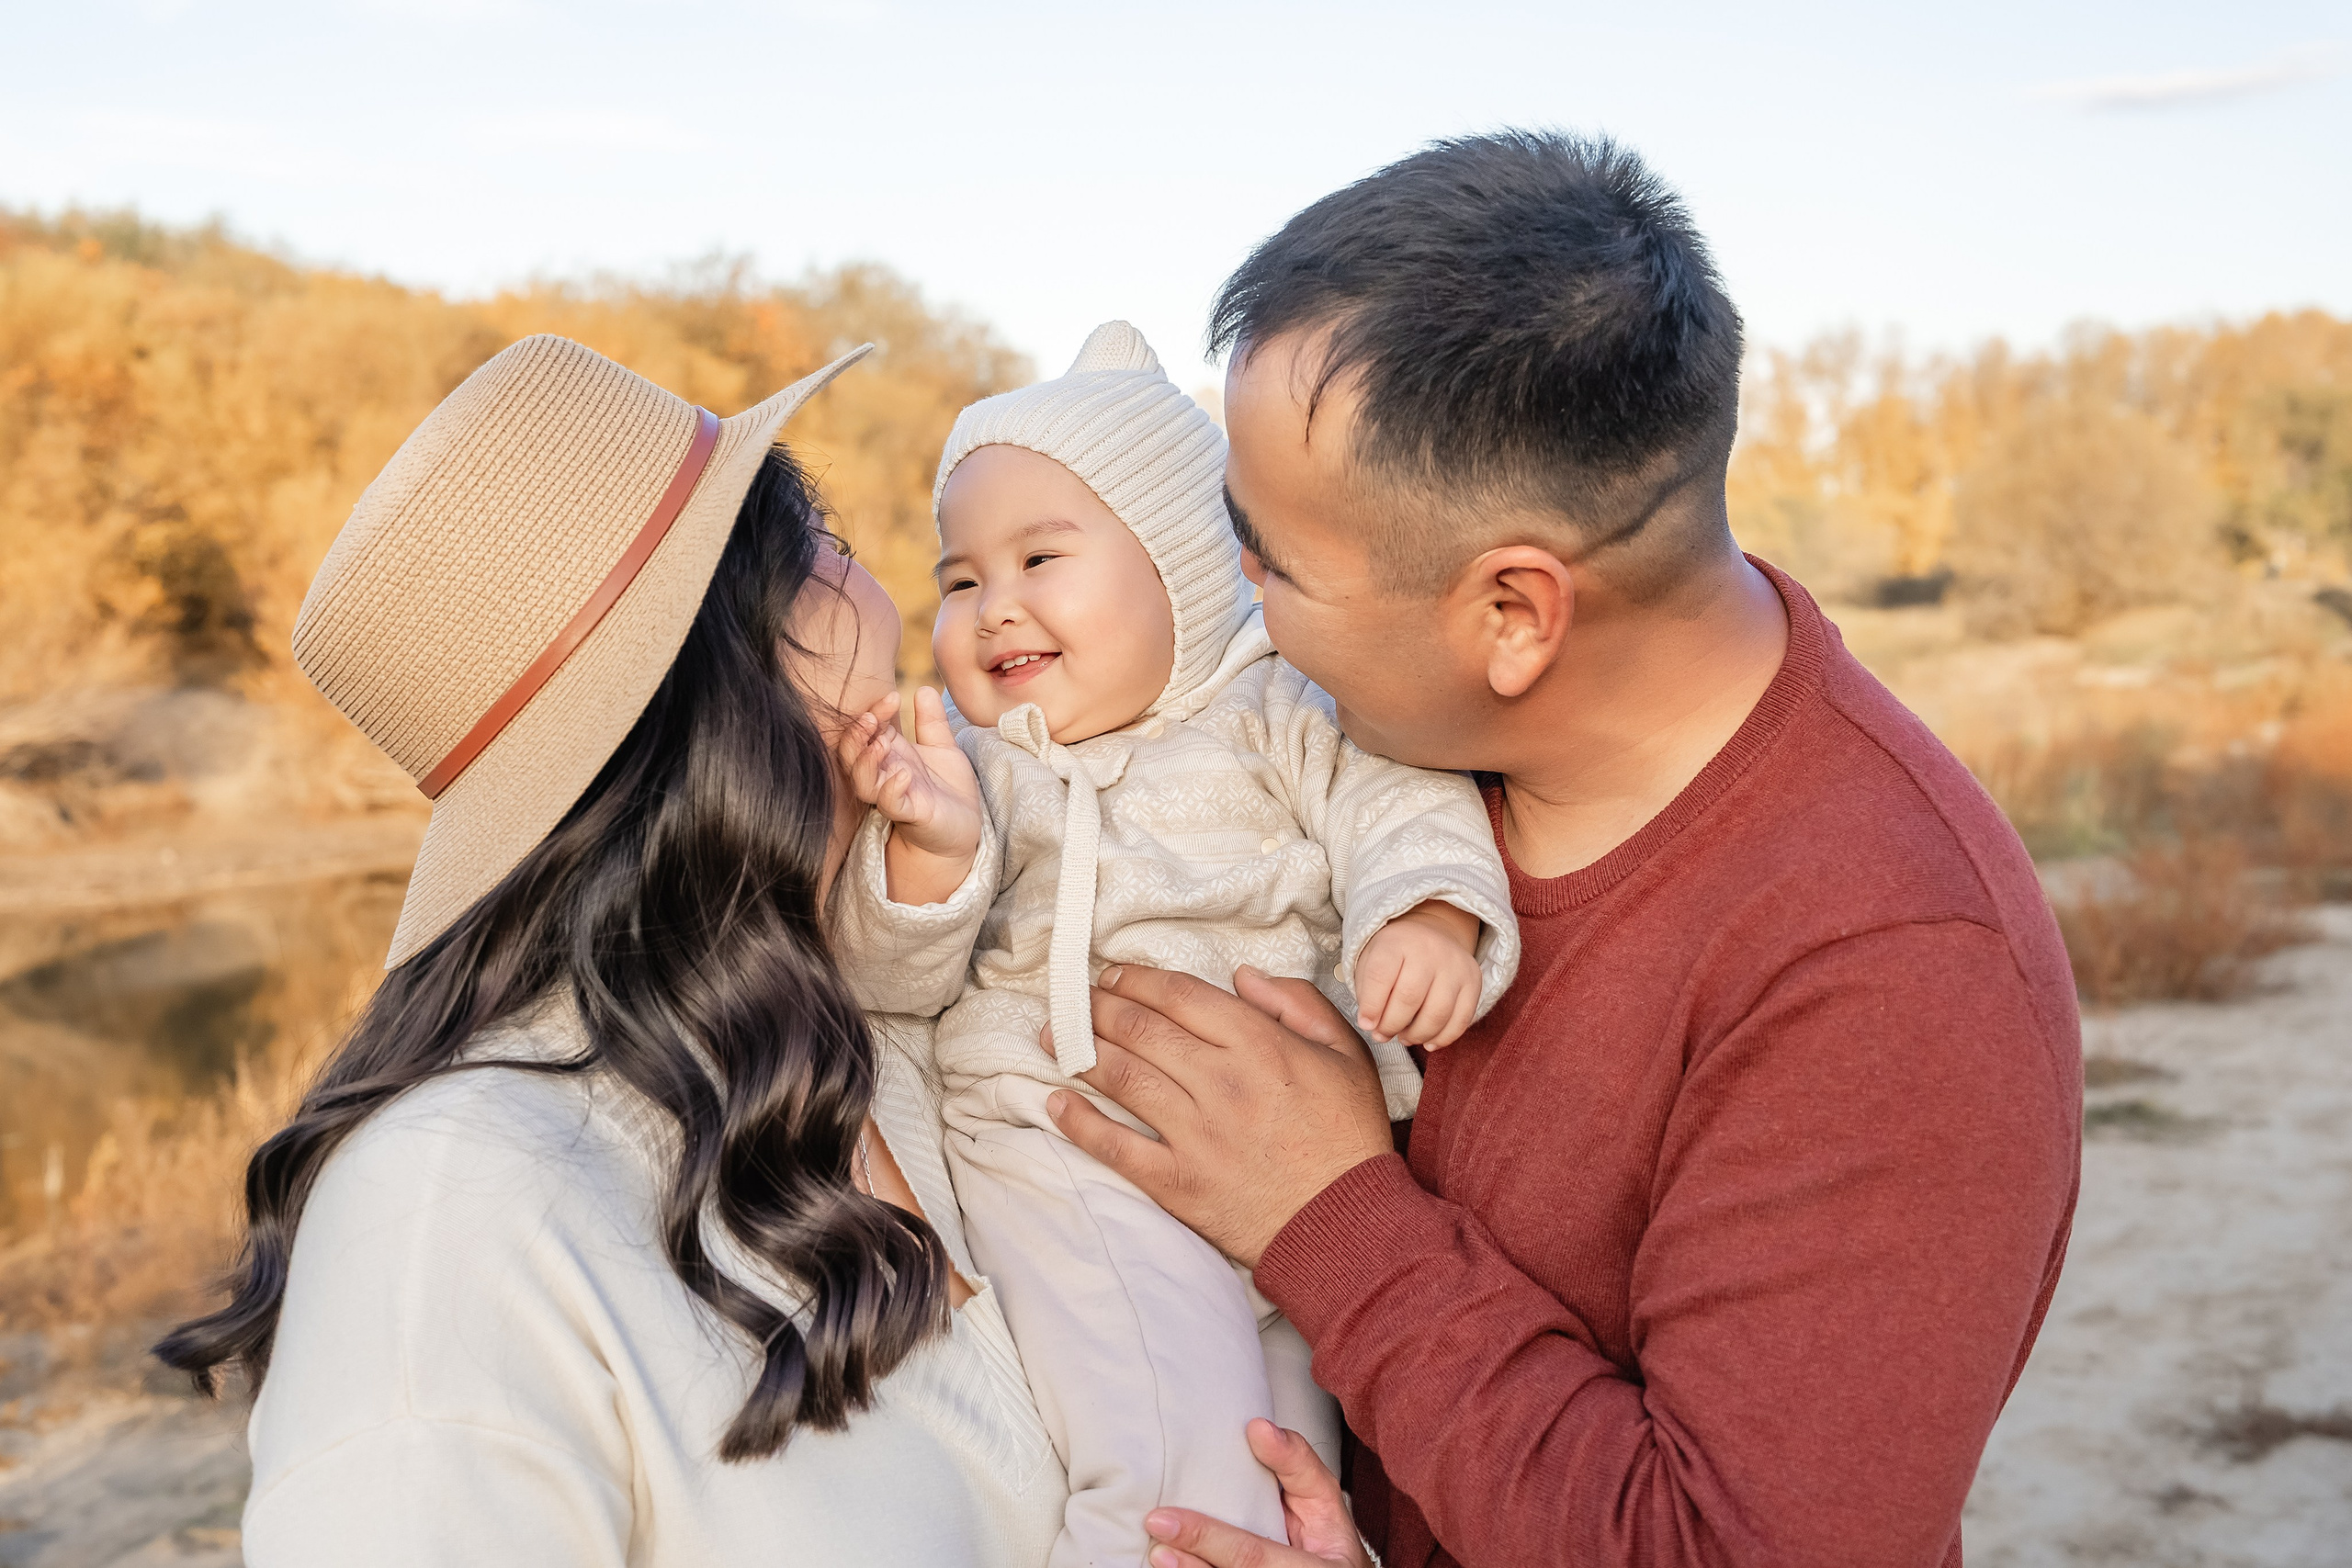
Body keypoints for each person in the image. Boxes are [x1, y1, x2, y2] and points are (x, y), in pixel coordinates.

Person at [1041, 133, 2085, 1568]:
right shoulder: (1373, 757)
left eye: (1270, 559)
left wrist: (1326, 1210)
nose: (1237, 600)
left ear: (1516, 615)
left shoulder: (1888, 968)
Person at [154, 335, 1080, 1564]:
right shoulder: (449, 1221)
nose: (895, 602)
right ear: (740, 680)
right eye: (832, 548)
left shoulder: (895, 1011)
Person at [826, 320, 1519, 1568]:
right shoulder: (989, 768)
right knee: (1174, 1473)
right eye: (961, 579)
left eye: (1042, 557)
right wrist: (929, 854)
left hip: (1276, 1167)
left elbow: (1399, 803)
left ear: (1186, 565)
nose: (996, 607)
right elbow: (898, 985)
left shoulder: (1279, 708)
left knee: (1294, 1473)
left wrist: (1423, 910)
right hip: (1069, 1136)